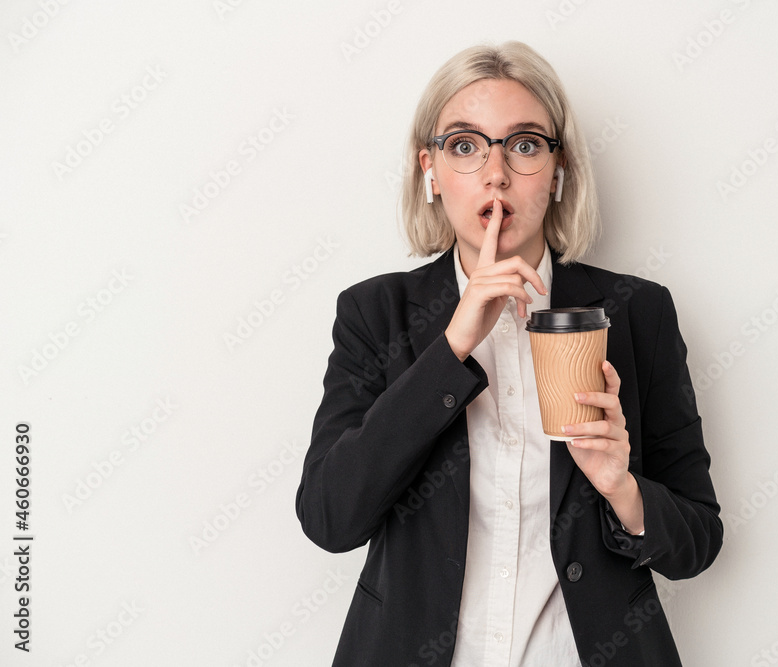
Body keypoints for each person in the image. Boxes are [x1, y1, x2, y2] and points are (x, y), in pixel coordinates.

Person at [295, 40, 723, 666]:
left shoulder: (638, 312)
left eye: (524, 145)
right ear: (431, 171)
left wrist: (622, 489)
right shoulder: (374, 313)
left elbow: (697, 541)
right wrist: (453, 346)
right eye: (465, 146)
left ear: (559, 171)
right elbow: (331, 518)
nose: (496, 173)